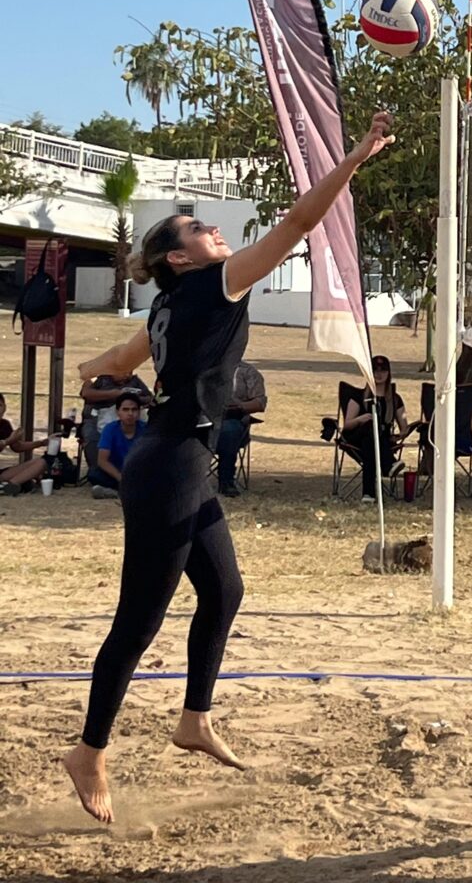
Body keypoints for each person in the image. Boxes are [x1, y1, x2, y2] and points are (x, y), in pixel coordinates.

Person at [63, 110, 395, 824]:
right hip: (172, 466)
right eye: (196, 229)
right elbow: (301, 222)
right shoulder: (216, 284)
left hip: (177, 459)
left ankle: (194, 718)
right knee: (138, 619)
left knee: (225, 590)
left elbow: (118, 362)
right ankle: (89, 751)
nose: (213, 231)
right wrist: (355, 158)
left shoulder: (168, 303)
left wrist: (90, 373)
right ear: (180, 257)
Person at [342, 354, 409, 502]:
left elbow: (404, 427)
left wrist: (400, 435)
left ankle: (369, 494)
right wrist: (360, 419)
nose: (379, 374)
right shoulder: (358, 396)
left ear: (388, 373)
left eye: (383, 370)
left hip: (381, 440)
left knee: (370, 446)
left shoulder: (395, 399)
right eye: (375, 370)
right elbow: (347, 425)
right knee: (369, 428)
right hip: (356, 438)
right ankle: (389, 463)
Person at [215, 360, 267, 498]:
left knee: (228, 431)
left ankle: (226, 480)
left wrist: (240, 407)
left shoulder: (247, 372)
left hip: (232, 418)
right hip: (203, 418)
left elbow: (260, 403)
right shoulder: (201, 367)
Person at [80, 373, 152, 470]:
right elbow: (85, 393)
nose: (126, 375)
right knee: (92, 437)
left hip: (129, 419)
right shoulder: (99, 379)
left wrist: (132, 398)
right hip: (98, 416)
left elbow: (149, 397)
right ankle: (97, 468)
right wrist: (114, 394)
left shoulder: (135, 381)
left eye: (130, 372)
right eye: (124, 372)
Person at [89, 393, 146, 499]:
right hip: (116, 472)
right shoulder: (110, 429)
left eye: (134, 410)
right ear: (117, 412)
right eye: (125, 409)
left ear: (139, 412)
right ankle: (121, 491)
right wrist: (121, 478)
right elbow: (102, 461)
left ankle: (121, 491)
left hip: (137, 471)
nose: (130, 413)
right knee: (94, 474)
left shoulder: (146, 429)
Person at [0, 393, 54, 495]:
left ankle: (9, 486)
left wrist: (41, 443)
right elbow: (9, 441)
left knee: (41, 462)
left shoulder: (4, 424)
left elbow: (17, 447)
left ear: (5, 407)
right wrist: (8, 441)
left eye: (0, 405)